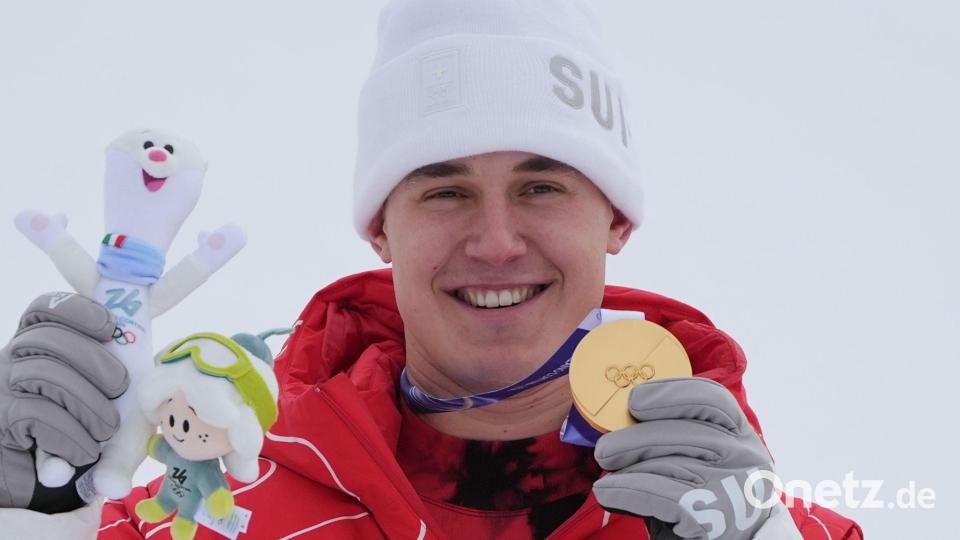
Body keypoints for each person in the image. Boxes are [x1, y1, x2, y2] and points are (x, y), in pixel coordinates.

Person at [0, 1, 864, 538]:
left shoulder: (765, 528)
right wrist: (35, 515)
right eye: (446, 192)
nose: (495, 241)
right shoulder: (201, 517)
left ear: (617, 219)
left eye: (541, 186)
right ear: (382, 227)